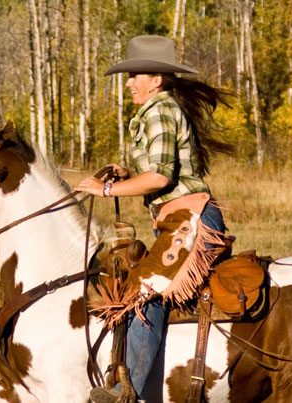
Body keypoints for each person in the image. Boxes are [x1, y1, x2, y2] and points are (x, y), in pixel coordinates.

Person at [75, 34, 234, 403]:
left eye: (136, 75)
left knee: (147, 291)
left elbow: (162, 178)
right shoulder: (155, 111)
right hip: (177, 216)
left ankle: (125, 393)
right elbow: (158, 169)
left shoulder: (160, 111)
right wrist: (125, 170)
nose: (129, 82)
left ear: (156, 80)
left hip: (190, 216)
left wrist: (107, 191)